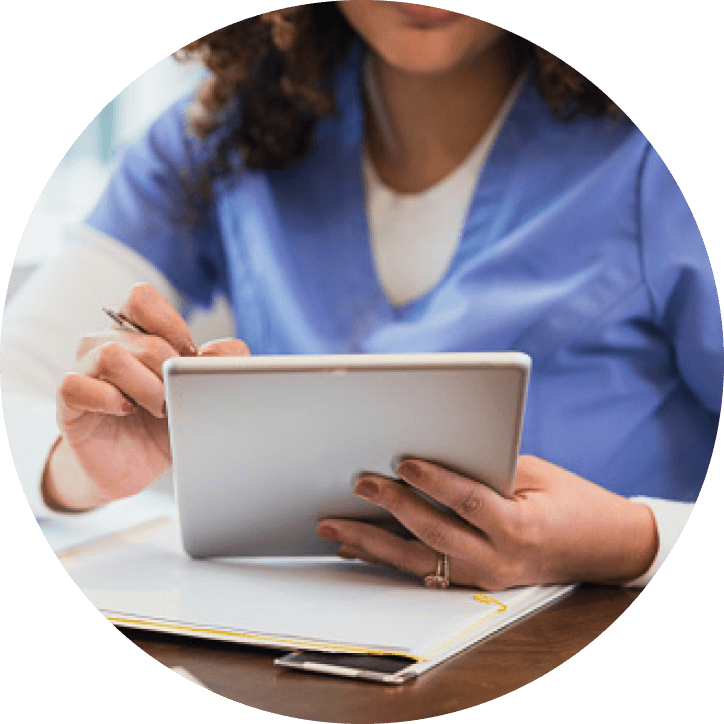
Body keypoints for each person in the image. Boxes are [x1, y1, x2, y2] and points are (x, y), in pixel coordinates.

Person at [1, 2, 720, 590]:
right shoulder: (223, 129)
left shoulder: (642, 161)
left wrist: (631, 543)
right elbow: (18, 386)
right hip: (312, 660)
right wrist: (81, 469)